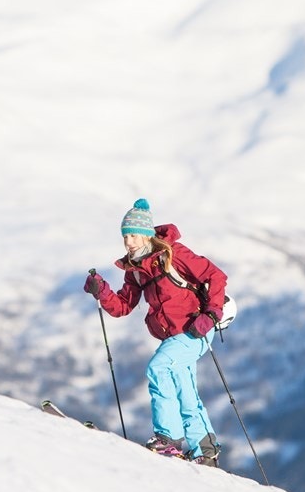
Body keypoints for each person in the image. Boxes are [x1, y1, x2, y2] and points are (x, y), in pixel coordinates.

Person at [84, 199, 225, 466]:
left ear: (148, 234)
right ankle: (205, 451)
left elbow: (216, 276)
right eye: (125, 236)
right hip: (173, 337)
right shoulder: (136, 271)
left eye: (134, 235)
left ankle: (167, 440)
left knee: (159, 368)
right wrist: (101, 291)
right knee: (185, 390)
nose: (129, 242)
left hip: (196, 330)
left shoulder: (174, 254)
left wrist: (212, 313)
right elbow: (123, 306)